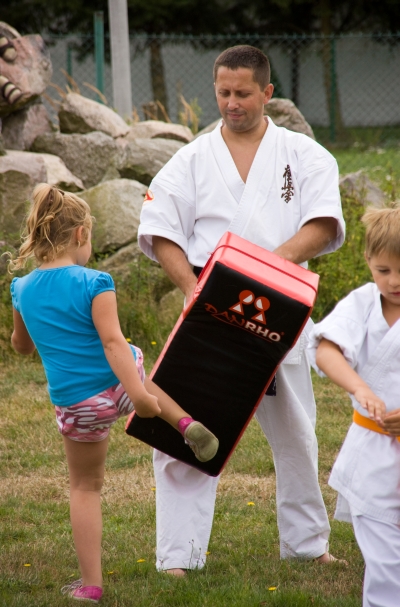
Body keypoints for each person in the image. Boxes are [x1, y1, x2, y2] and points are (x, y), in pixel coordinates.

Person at [138, 45, 346, 575]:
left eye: (243, 93)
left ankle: (306, 543)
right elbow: (161, 230)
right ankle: (178, 554)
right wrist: (194, 290)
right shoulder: (191, 160)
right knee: (187, 430)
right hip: (211, 314)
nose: (232, 103)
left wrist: (267, 269)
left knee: (297, 433)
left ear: (267, 92)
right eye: (224, 93)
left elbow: (324, 222)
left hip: (281, 308)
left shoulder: (304, 155)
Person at [9, 183, 219, 603]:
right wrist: (136, 395)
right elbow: (113, 342)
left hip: (78, 406)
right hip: (121, 387)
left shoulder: (21, 288)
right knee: (135, 359)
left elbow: (21, 345)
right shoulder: (96, 281)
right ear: (81, 235)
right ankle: (181, 421)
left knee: (85, 487)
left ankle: (91, 584)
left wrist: (31, 334)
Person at [308, 206, 400, 607]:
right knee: (384, 555)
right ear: (368, 261)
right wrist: (360, 387)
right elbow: (326, 350)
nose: (394, 281)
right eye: (384, 270)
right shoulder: (362, 303)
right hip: (373, 448)